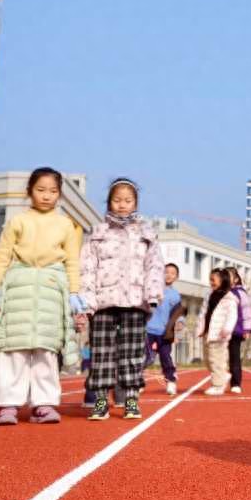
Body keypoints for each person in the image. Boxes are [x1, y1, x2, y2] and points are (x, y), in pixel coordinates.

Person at [0, 168, 82, 423]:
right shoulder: (17, 221)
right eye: (41, 190)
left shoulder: (66, 225)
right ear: (30, 191)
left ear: (60, 195)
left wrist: (74, 292)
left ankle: (44, 404)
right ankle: (7, 404)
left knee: (46, 351)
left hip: (51, 291)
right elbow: (1, 258)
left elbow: (73, 263)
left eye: (53, 191)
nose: (47, 196)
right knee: (13, 350)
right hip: (18, 288)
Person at [78, 178, 165, 420]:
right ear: (109, 202)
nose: (122, 205)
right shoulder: (98, 233)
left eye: (128, 200)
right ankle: (101, 401)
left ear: (135, 203)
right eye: (117, 200)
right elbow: (87, 268)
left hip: (135, 302)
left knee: (132, 352)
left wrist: (153, 294)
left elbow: (154, 266)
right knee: (101, 353)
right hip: (103, 302)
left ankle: (131, 399)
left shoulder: (146, 234)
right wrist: (86, 300)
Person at [145, 262, 185, 395]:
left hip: (165, 333)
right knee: (145, 358)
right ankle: (137, 382)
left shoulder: (175, 295)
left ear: (176, 277)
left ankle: (171, 381)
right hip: (148, 330)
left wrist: (178, 331)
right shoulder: (152, 289)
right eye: (166, 272)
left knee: (165, 357)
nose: (169, 275)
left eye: (172, 273)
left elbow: (178, 315)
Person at [202, 269, 237, 394]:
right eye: (210, 279)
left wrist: (227, 329)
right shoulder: (209, 295)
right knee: (207, 360)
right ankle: (223, 375)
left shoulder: (229, 299)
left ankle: (218, 386)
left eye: (213, 280)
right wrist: (200, 328)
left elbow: (232, 316)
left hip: (219, 334)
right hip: (207, 333)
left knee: (216, 359)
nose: (211, 282)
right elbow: (203, 313)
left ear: (223, 280)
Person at [227, 267, 251, 394]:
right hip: (220, 331)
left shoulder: (240, 293)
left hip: (235, 330)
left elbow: (247, 311)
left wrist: (247, 329)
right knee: (219, 357)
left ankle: (236, 383)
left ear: (236, 279)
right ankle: (219, 380)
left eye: (228, 276)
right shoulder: (219, 293)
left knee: (234, 358)